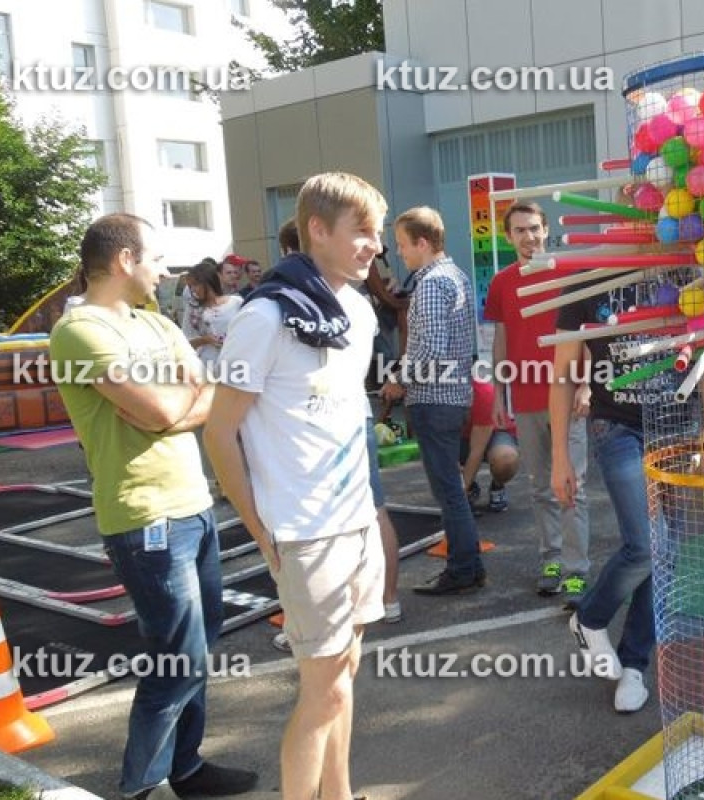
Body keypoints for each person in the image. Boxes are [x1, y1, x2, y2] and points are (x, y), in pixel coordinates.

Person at [49, 214, 256, 800]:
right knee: (178, 658)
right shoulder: (79, 331)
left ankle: (184, 767)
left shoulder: (156, 322)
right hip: (144, 516)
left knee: (199, 647)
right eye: (157, 258)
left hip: (193, 504)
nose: (165, 272)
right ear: (124, 260)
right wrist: (177, 402)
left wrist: (172, 406)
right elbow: (167, 408)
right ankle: (143, 785)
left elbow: (207, 392)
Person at [204, 173, 388, 800]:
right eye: (362, 231)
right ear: (318, 229)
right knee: (324, 689)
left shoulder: (358, 310)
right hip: (304, 530)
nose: (375, 245)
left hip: (357, 520)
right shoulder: (262, 317)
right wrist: (259, 528)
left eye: (379, 232)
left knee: (345, 672)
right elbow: (220, 432)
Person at [553, 279, 704, 712]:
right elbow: (563, 373)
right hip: (616, 426)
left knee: (666, 554)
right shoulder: (585, 278)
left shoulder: (686, 270)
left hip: (677, 427)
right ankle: (590, 618)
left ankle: (634, 665)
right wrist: (560, 456)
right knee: (646, 544)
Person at [484, 202, 594, 604]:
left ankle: (576, 571)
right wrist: (499, 393)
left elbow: (587, 334)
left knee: (573, 487)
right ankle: (551, 559)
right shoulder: (502, 283)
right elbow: (501, 339)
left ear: (546, 229)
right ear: (508, 237)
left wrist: (586, 385)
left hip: (568, 395)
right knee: (539, 486)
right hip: (526, 397)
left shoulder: (569, 273)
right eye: (519, 230)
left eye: (534, 228)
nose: (529, 237)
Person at [381, 206, 485, 596]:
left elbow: (431, 350)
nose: (399, 252)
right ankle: (468, 565)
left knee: (448, 492)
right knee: (452, 489)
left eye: (403, 244)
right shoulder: (455, 275)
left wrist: (398, 380)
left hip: (434, 399)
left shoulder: (430, 284)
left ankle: (463, 568)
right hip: (453, 396)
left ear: (422, 243)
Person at [461, 377, 520, 512]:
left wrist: (458, 496)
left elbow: (477, 451)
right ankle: (468, 487)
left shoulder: (483, 393)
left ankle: (497, 485)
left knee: (505, 459)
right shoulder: (436, 395)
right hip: (461, 439)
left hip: (494, 433)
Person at [181, 262, 243, 367]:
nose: (193, 290)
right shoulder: (193, 309)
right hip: (208, 365)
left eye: (195, 284)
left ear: (208, 282)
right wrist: (204, 340)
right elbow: (184, 342)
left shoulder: (236, 302)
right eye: (190, 286)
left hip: (236, 362)